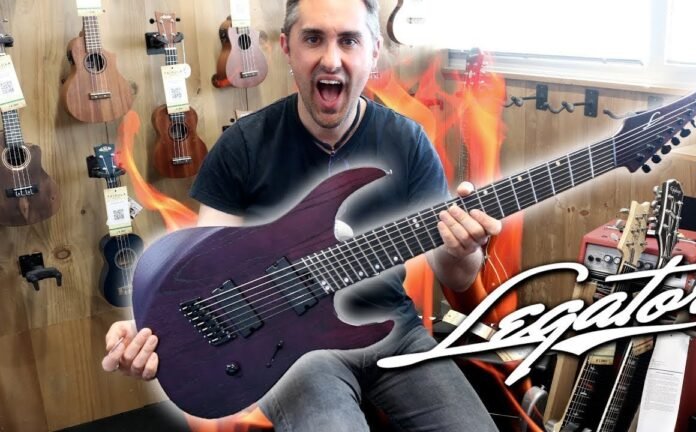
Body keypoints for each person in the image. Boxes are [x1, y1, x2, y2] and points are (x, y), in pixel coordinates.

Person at [102, 1, 501, 430]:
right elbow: (202, 273)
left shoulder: (407, 140)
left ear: (373, 51)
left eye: (349, 40)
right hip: (290, 352)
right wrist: (156, 331)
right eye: (313, 39)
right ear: (286, 48)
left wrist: (464, 248)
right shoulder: (244, 145)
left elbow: (457, 277)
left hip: (395, 331)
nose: (331, 59)